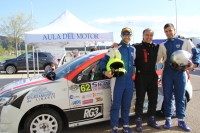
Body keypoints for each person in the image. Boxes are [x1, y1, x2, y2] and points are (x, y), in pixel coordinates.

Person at [157, 23, 200, 132]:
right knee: (167, 96)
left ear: (174, 30)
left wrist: (194, 64)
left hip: (180, 73)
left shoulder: (185, 41)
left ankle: (181, 120)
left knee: (180, 96)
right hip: (167, 73)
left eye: (170, 30)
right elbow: (157, 60)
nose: (168, 33)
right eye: (166, 31)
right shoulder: (163, 45)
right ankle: (168, 119)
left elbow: (196, 53)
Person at [100, 27, 135, 133]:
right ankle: (114, 127)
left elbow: (134, 64)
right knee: (116, 104)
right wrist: (104, 72)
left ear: (131, 36)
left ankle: (126, 125)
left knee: (127, 104)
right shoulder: (115, 48)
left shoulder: (133, 49)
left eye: (129, 35)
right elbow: (103, 62)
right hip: (117, 81)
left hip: (129, 81)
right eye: (125, 35)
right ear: (121, 36)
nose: (127, 36)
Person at [134, 28, 161, 132]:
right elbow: (125, 48)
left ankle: (151, 119)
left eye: (151, 35)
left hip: (152, 76)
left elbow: (166, 47)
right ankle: (139, 121)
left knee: (153, 99)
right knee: (140, 99)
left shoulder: (156, 47)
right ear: (143, 35)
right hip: (141, 76)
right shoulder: (136, 47)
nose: (149, 37)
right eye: (147, 35)